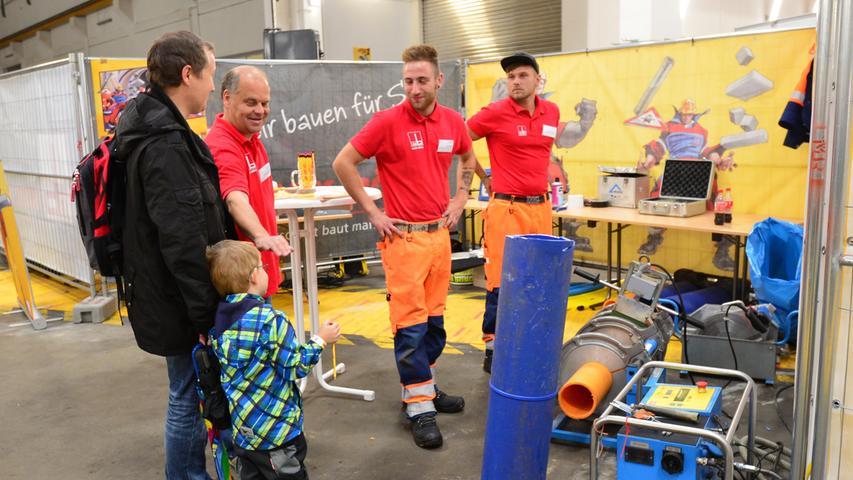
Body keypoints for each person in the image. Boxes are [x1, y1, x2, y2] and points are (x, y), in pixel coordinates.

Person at [332, 44, 475, 449]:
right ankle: (419, 408)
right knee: (410, 328)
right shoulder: (386, 122)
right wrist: (373, 212)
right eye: (408, 80)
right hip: (404, 240)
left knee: (434, 325)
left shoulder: (452, 122)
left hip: (438, 239)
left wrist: (460, 200)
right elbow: (344, 162)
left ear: (439, 81)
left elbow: (468, 158)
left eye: (422, 80)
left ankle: (422, 388)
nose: (414, 88)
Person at [115, 31, 229, 479]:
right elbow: (182, 242)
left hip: (167, 293)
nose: (210, 88)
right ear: (187, 74)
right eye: (210, 75)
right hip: (177, 299)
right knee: (187, 394)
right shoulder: (165, 144)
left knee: (185, 390)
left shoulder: (155, 129)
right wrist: (206, 315)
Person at [206, 240, 340, 479]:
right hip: (277, 431)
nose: (266, 270)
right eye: (263, 266)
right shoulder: (271, 320)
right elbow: (295, 367)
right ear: (254, 277)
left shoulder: (219, 321)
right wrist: (320, 339)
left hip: (243, 432)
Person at [466, 52, 560, 374]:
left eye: (522, 75)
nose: (516, 81)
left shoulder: (552, 113)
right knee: (499, 282)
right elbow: (461, 142)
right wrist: (484, 178)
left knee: (536, 280)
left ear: (537, 79)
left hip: (542, 208)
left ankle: (528, 341)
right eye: (511, 77)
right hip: (506, 209)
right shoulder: (494, 113)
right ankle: (493, 348)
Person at [206, 65, 292, 300]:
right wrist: (261, 235)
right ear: (227, 98)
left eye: (264, 103)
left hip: (260, 270)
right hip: (245, 283)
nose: (260, 111)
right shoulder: (223, 145)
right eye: (251, 102)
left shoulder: (251, 138)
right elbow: (235, 199)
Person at [637, 98, 736, 270]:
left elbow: (706, 151)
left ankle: (722, 249)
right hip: (674, 168)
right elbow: (659, 146)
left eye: (689, 114)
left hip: (698, 169)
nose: (686, 117)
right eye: (684, 114)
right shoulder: (669, 127)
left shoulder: (701, 130)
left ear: (694, 114)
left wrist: (719, 159)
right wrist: (649, 160)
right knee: (658, 197)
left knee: (716, 203)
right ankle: (654, 237)